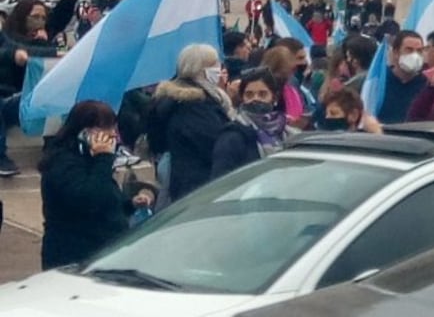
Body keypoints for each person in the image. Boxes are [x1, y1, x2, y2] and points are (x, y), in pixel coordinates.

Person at [39, 101, 155, 270]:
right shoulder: (62, 163)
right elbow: (90, 199)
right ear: (86, 131)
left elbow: (106, 198)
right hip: (74, 255)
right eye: (107, 129)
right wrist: (103, 158)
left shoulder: (90, 159)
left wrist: (130, 204)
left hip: (102, 251)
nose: (114, 135)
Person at [0, 0, 77, 177]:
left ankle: (55, 149)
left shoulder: (36, 38)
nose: (40, 21)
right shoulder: (12, 35)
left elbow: (56, 22)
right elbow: (11, 50)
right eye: (35, 17)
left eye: (43, 17)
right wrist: (15, 55)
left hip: (25, 98)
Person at [147, 44, 233, 203]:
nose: (219, 68)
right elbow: (215, 145)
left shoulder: (185, 101)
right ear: (201, 69)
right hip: (200, 187)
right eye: (214, 64)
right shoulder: (195, 106)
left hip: (188, 183)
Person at [211, 69, 292, 179]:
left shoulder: (287, 132)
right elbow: (220, 179)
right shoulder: (232, 136)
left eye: (262, 94)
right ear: (242, 98)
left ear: (274, 97)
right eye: (249, 95)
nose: (255, 99)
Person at [375, 31, 429, 124]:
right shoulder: (379, 81)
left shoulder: (426, 85)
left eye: (419, 51)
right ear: (396, 52)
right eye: (409, 50)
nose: (415, 55)